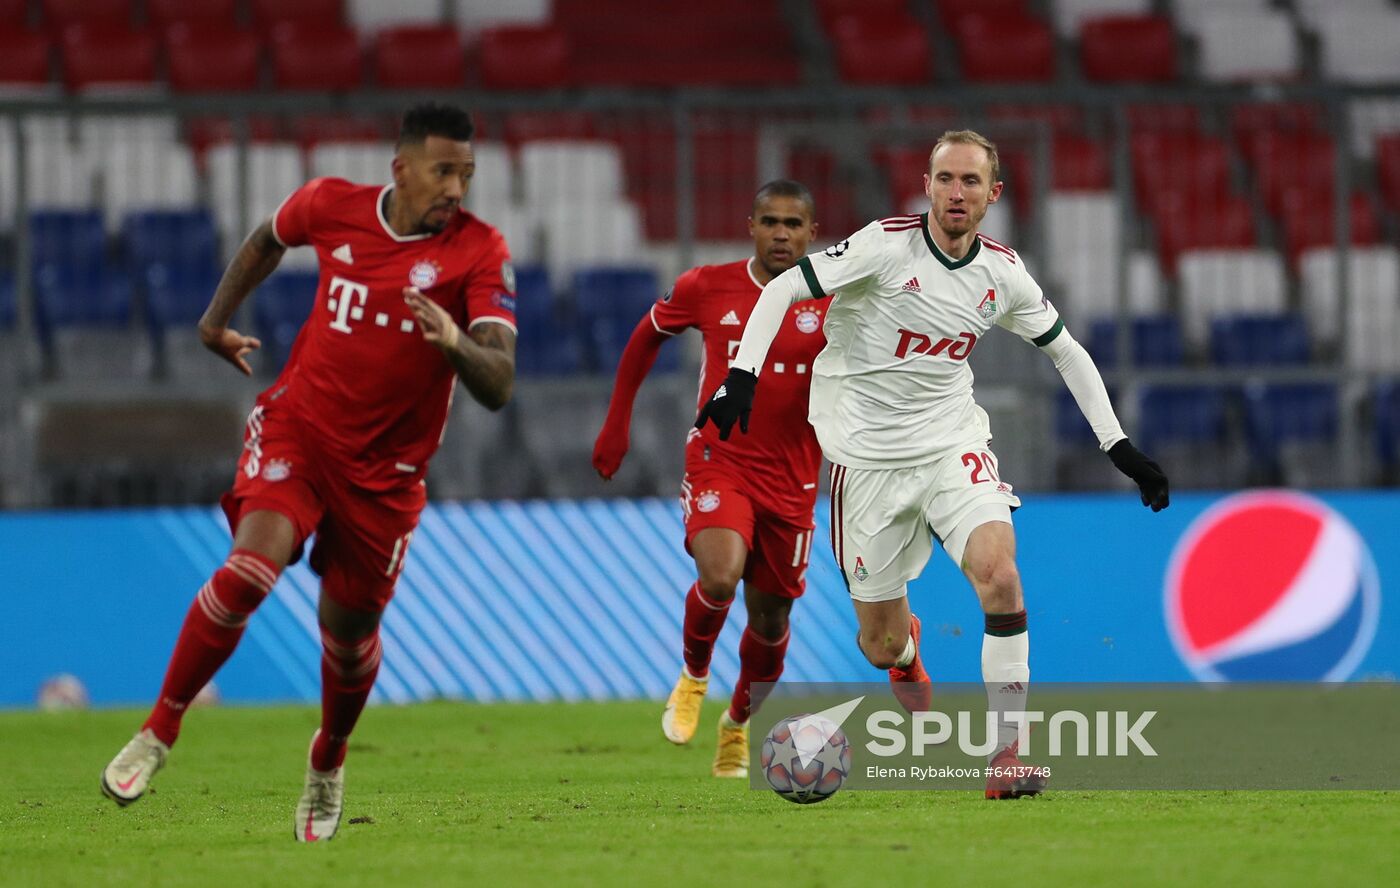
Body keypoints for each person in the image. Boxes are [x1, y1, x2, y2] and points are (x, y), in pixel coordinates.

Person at [695, 131, 1170, 799]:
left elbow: (1066, 350)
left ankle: (1009, 757)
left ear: (991, 195)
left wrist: (1117, 444)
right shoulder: (884, 246)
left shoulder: (1002, 273)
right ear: (927, 185)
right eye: (945, 178)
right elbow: (780, 293)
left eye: (971, 182)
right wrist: (743, 372)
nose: (956, 192)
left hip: (952, 447)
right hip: (866, 467)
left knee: (1000, 575)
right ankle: (909, 652)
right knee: (881, 645)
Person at [100, 103, 518, 839]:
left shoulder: (480, 252)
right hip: (301, 428)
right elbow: (268, 239)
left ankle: (327, 762)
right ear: (402, 167)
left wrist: (453, 338)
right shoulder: (331, 205)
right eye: (444, 170)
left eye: (467, 173)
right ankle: (158, 732)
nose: (457, 187)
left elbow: (499, 381)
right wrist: (214, 320)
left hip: (386, 477)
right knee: (250, 570)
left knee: (349, 638)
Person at [591, 180, 862, 778]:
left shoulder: (839, 300)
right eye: (770, 222)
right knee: (720, 574)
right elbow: (645, 338)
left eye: (794, 224)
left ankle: (737, 723)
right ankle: (692, 678)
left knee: (771, 624)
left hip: (793, 480)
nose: (782, 234)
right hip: (721, 459)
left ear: (814, 234)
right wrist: (617, 424)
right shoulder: (707, 286)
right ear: (751, 226)